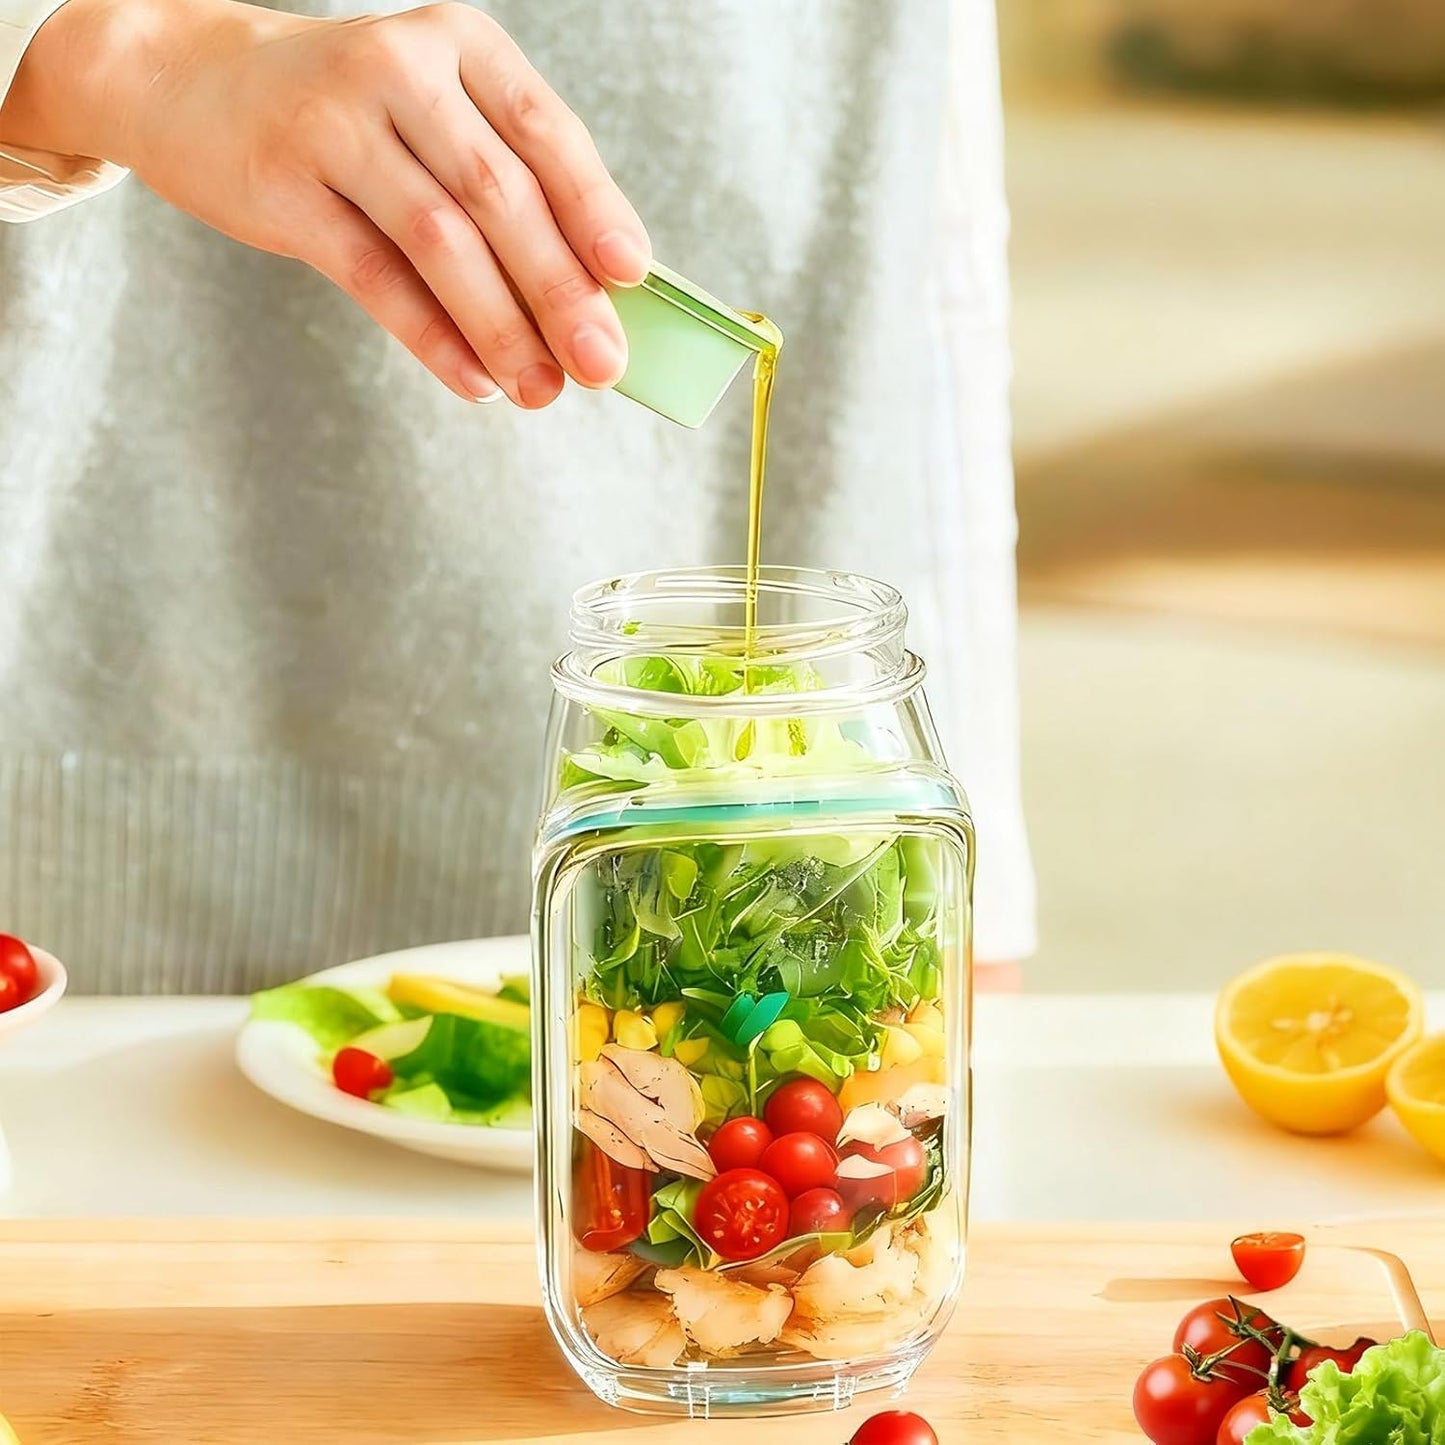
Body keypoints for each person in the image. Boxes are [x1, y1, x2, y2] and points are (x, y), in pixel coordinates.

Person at [0, 0, 1034, 992]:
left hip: (734, 840)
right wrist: (119, 52)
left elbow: (920, 185)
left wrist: (963, 837)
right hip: (107, 739)